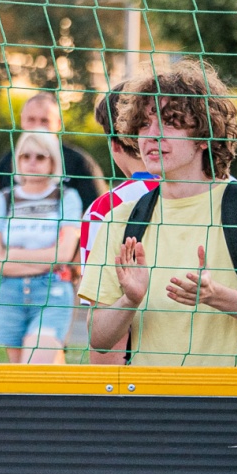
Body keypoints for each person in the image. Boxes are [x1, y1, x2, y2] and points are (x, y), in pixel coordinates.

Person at [82, 61, 237, 367]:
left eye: (170, 122)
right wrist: (129, 300)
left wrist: (215, 296)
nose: (152, 135)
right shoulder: (121, 218)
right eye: (144, 124)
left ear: (204, 135)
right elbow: (98, 339)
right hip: (153, 393)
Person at [0, 130, 83, 363]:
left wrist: (13, 255)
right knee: (23, 374)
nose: (32, 162)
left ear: (53, 162)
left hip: (52, 292)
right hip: (8, 294)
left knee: (34, 366)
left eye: (40, 156)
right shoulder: (3, 199)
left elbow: (64, 254)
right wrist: (45, 260)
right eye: (26, 156)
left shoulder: (67, 197)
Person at [77, 85, 159, 365]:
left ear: (114, 144)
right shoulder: (233, 193)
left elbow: (104, 323)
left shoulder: (104, 209)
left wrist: (109, 387)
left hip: (139, 371)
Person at [0, 91, 102, 211]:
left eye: (45, 121)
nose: (38, 126)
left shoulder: (79, 162)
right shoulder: (9, 160)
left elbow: (93, 212)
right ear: (22, 121)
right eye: (31, 120)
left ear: (58, 124)